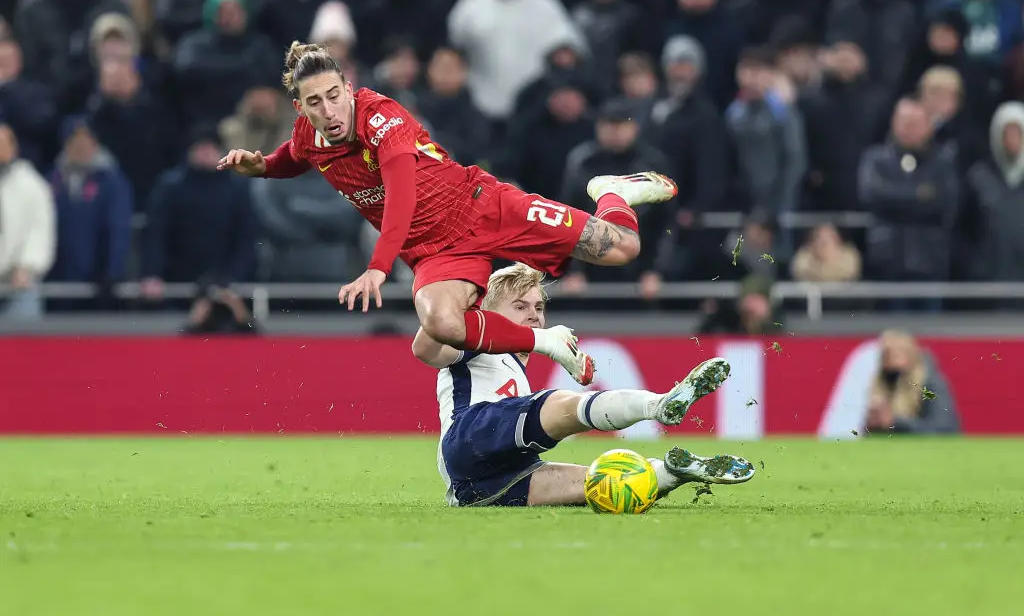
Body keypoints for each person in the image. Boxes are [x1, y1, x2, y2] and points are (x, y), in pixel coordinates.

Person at [217, 42, 677, 385]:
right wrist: (260, 166)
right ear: (300, 107)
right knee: (433, 338)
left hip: (484, 206)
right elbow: (291, 157)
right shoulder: (307, 134)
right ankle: (546, 343)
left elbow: (401, 197)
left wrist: (378, 267)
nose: (329, 109)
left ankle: (613, 191)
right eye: (314, 102)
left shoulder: (384, 119)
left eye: (335, 95)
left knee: (622, 249)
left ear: (349, 89)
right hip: (434, 251)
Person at [412, 263, 756, 507]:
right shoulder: (472, 344)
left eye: (538, 307)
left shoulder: (514, 362)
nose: (534, 315)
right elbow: (424, 348)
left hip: (479, 486)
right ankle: (659, 405)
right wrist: (451, 310)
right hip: (470, 436)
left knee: (606, 486)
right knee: (563, 404)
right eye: (520, 306)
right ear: (486, 311)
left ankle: (673, 470)